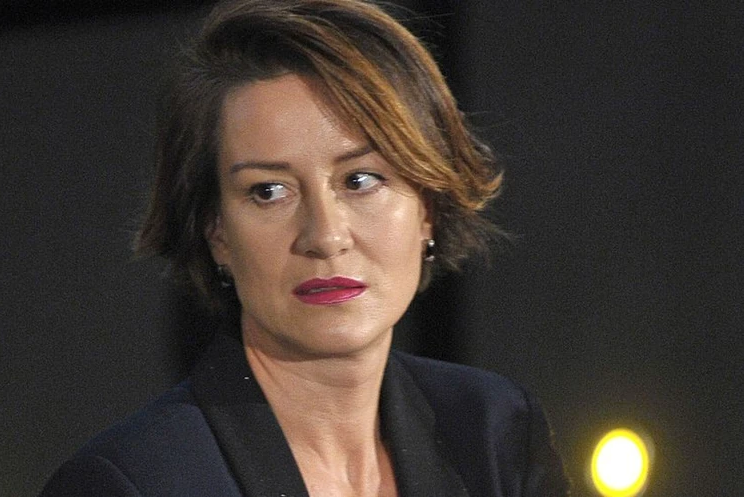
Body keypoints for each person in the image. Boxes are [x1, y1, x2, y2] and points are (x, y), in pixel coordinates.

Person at [40, 0, 569, 495]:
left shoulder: (495, 431)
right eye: (269, 191)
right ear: (216, 232)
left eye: (361, 180)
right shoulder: (132, 482)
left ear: (427, 207)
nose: (326, 236)